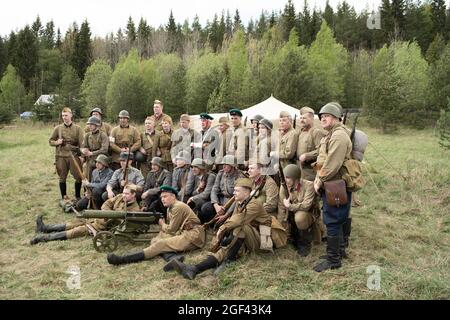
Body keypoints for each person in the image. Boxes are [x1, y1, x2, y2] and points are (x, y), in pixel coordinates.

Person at [167, 178, 287, 280]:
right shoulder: (240, 203)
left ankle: (228, 262)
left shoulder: (254, 204)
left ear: (246, 193)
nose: (234, 193)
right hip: (249, 236)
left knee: (241, 228)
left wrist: (222, 228)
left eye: (236, 191)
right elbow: (234, 220)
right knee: (226, 249)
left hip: (265, 241)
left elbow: (238, 220)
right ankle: (195, 269)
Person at [106, 185, 206, 268]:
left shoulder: (178, 207)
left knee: (160, 244)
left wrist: (162, 224)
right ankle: (173, 258)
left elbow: (171, 229)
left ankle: (123, 259)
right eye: (162, 197)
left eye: (165, 196)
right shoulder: (170, 208)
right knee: (155, 240)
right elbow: (170, 228)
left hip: (193, 236)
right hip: (183, 232)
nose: (162, 199)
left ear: (173, 196)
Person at [313, 102, 353, 272]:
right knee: (339, 218)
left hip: (335, 183)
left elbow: (333, 164)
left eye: (327, 116)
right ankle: (340, 250)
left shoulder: (338, 136)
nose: (323, 118)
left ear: (337, 118)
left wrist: (319, 180)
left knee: (333, 220)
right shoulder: (331, 134)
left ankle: (333, 259)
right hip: (334, 183)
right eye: (321, 117)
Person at [30, 184, 141, 245]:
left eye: (127, 194)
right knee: (71, 224)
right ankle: (44, 228)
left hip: (102, 228)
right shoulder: (120, 197)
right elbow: (107, 203)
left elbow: (121, 224)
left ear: (133, 195)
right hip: (97, 219)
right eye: (124, 193)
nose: (124, 195)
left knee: (74, 232)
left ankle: (43, 238)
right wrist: (107, 212)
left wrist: (109, 216)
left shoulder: (134, 210)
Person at [278, 164, 322, 257]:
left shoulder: (309, 185)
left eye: (288, 178)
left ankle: (304, 244)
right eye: (284, 177)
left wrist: (290, 206)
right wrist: (281, 227)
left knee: (300, 217)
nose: (285, 180)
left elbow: (306, 206)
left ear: (296, 178)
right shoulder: (284, 187)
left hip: (308, 213)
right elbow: (281, 208)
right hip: (292, 215)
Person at [48, 107, 84, 200]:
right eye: (63, 115)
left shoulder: (78, 129)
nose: (64, 117)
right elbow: (50, 141)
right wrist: (57, 142)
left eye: (66, 115)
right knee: (62, 177)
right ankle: (64, 196)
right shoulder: (58, 128)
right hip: (61, 156)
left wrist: (82, 157)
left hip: (74, 156)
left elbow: (82, 144)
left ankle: (78, 196)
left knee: (78, 177)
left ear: (71, 115)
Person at [199, 155, 245, 224]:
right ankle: (213, 225)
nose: (223, 166)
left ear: (232, 166)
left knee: (230, 218)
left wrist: (227, 213)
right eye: (223, 164)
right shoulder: (221, 174)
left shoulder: (240, 176)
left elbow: (237, 198)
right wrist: (216, 205)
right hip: (222, 200)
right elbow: (214, 190)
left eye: (226, 164)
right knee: (205, 207)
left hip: (233, 203)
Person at [296, 107, 326, 182]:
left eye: (304, 118)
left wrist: (307, 155)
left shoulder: (316, 132)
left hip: (312, 172)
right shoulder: (300, 132)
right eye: (301, 118)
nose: (302, 120)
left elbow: (321, 151)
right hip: (301, 170)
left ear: (312, 118)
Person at [81, 116, 109, 181]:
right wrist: (84, 150)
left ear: (96, 125)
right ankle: (87, 190)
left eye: (91, 124)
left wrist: (92, 153)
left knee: (100, 178)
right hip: (90, 159)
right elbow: (84, 146)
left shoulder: (103, 135)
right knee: (88, 177)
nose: (89, 126)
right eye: (89, 124)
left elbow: (105, 149)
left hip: (101, 159)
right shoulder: (87, 135)